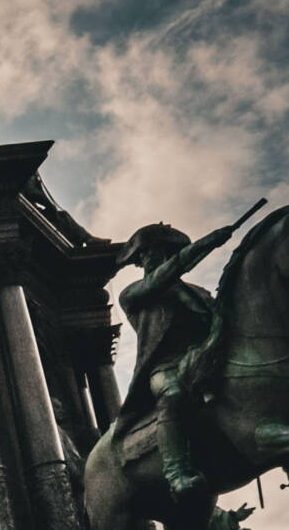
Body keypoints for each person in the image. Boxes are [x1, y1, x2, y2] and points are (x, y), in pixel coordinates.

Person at [109, 203, 261, 497]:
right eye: (147, 253)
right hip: (166, 367)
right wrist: (207, 243)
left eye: (159, 251)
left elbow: (225, 322)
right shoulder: (133, 295)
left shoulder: (199, 293)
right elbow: (166, 275)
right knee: (174, 395)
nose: (152, 258)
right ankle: (176, 471)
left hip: (205, 361)